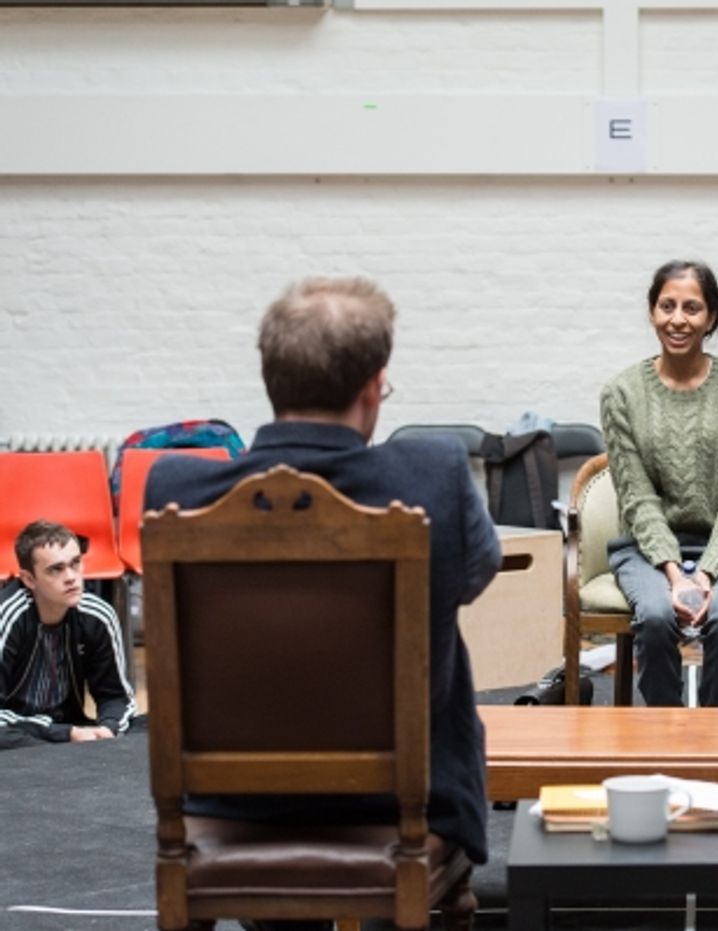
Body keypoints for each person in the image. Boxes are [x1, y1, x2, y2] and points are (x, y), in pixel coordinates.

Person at [145, 277, 502, 869]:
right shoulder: (431, 477)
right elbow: (473, 575)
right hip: (401, 806)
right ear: (373, 386)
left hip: (234, 805)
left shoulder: (175, 490)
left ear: (270, 380)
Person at [600, 259, 718, 707]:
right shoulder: (621, 393)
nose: (678, 319)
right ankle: (662, 734)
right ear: (652, 311)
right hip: (644, 546)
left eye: (692, 308)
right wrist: (675, 574)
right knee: (655, 617)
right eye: (666, 305)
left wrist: (708, 570)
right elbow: (637, 497)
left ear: (711, 316)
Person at [0, 520, 138, 745]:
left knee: (154, 727)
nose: (71, 577)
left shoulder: (97, 615)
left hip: (71, 731)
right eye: (56, 569)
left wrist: (107, 730)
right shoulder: (7, 615)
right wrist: (63, 733)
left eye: (75, 563)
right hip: (17, 732)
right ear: (28, 579)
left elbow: (116, 698)